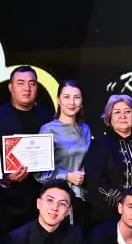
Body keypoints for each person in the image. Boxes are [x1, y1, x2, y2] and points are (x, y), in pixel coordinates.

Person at [0, 66, 54, 235]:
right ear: (10, 87)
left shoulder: (47, 118)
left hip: (37, 201)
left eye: (32, 83)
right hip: (1, 203)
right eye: (20, 83)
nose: (27, 88)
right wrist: (5, 177)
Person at [82, 94, 132, 227]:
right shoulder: (99, 145)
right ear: (109, 117)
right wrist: (125, 204)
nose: (123, 116)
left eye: (127, 111)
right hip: (109, 217)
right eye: (117, 112)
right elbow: (95, 181)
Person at [39, 80, 94, 231]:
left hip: (83, 198)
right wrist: (67, 176)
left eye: (77, 97)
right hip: (57, 199)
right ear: (58, 100)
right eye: (67, 97)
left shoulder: (85, 129)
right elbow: (39, 172)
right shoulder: (47, 129)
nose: (72, 102)